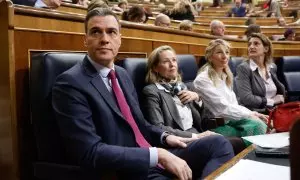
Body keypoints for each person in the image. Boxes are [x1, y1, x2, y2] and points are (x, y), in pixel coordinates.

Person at [52, 8, 234, 180]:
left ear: (119, 39)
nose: (104, 39)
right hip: (124, 168)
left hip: (152, 153)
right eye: (96, 32)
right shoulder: (70, 83)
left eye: (111, 32)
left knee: (219, 144)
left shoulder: (122, 74)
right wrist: (156, 155)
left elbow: (139, 124)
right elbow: (89, 151)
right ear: (86, 39)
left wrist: (166, 137)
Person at [142, 45, 246, 154]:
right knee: (230, 144)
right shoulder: (152, 91)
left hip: (199, 135)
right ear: (155, 68)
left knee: (239, 143)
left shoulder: (182, 86)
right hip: (180, 142)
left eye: (174, 60)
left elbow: (206, 120)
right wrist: (195, 136)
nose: (172, 64)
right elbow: (159, 128)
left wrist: (198, 99)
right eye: (166, 62)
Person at [193, 39, 268, 139]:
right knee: (258, 126)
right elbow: (222, 109)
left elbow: (233, 105)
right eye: (219, 52)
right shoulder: (202, 79)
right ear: (210, 57)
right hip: (215, 126)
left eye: (227, 52)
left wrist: (253, 114)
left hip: (230, 121)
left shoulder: (225, 76)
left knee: (261, 123)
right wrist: (250, 114)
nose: (225, 56)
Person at [236, 33, 285, 113]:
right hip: (255, 113)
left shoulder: (272, 67)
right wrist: (272, 101)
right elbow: (247, 98)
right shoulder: (244, 68)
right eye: (249, 44)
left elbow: (279, 91)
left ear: (266, 49)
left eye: (256, 44)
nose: (251, 47)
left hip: (275, 111)